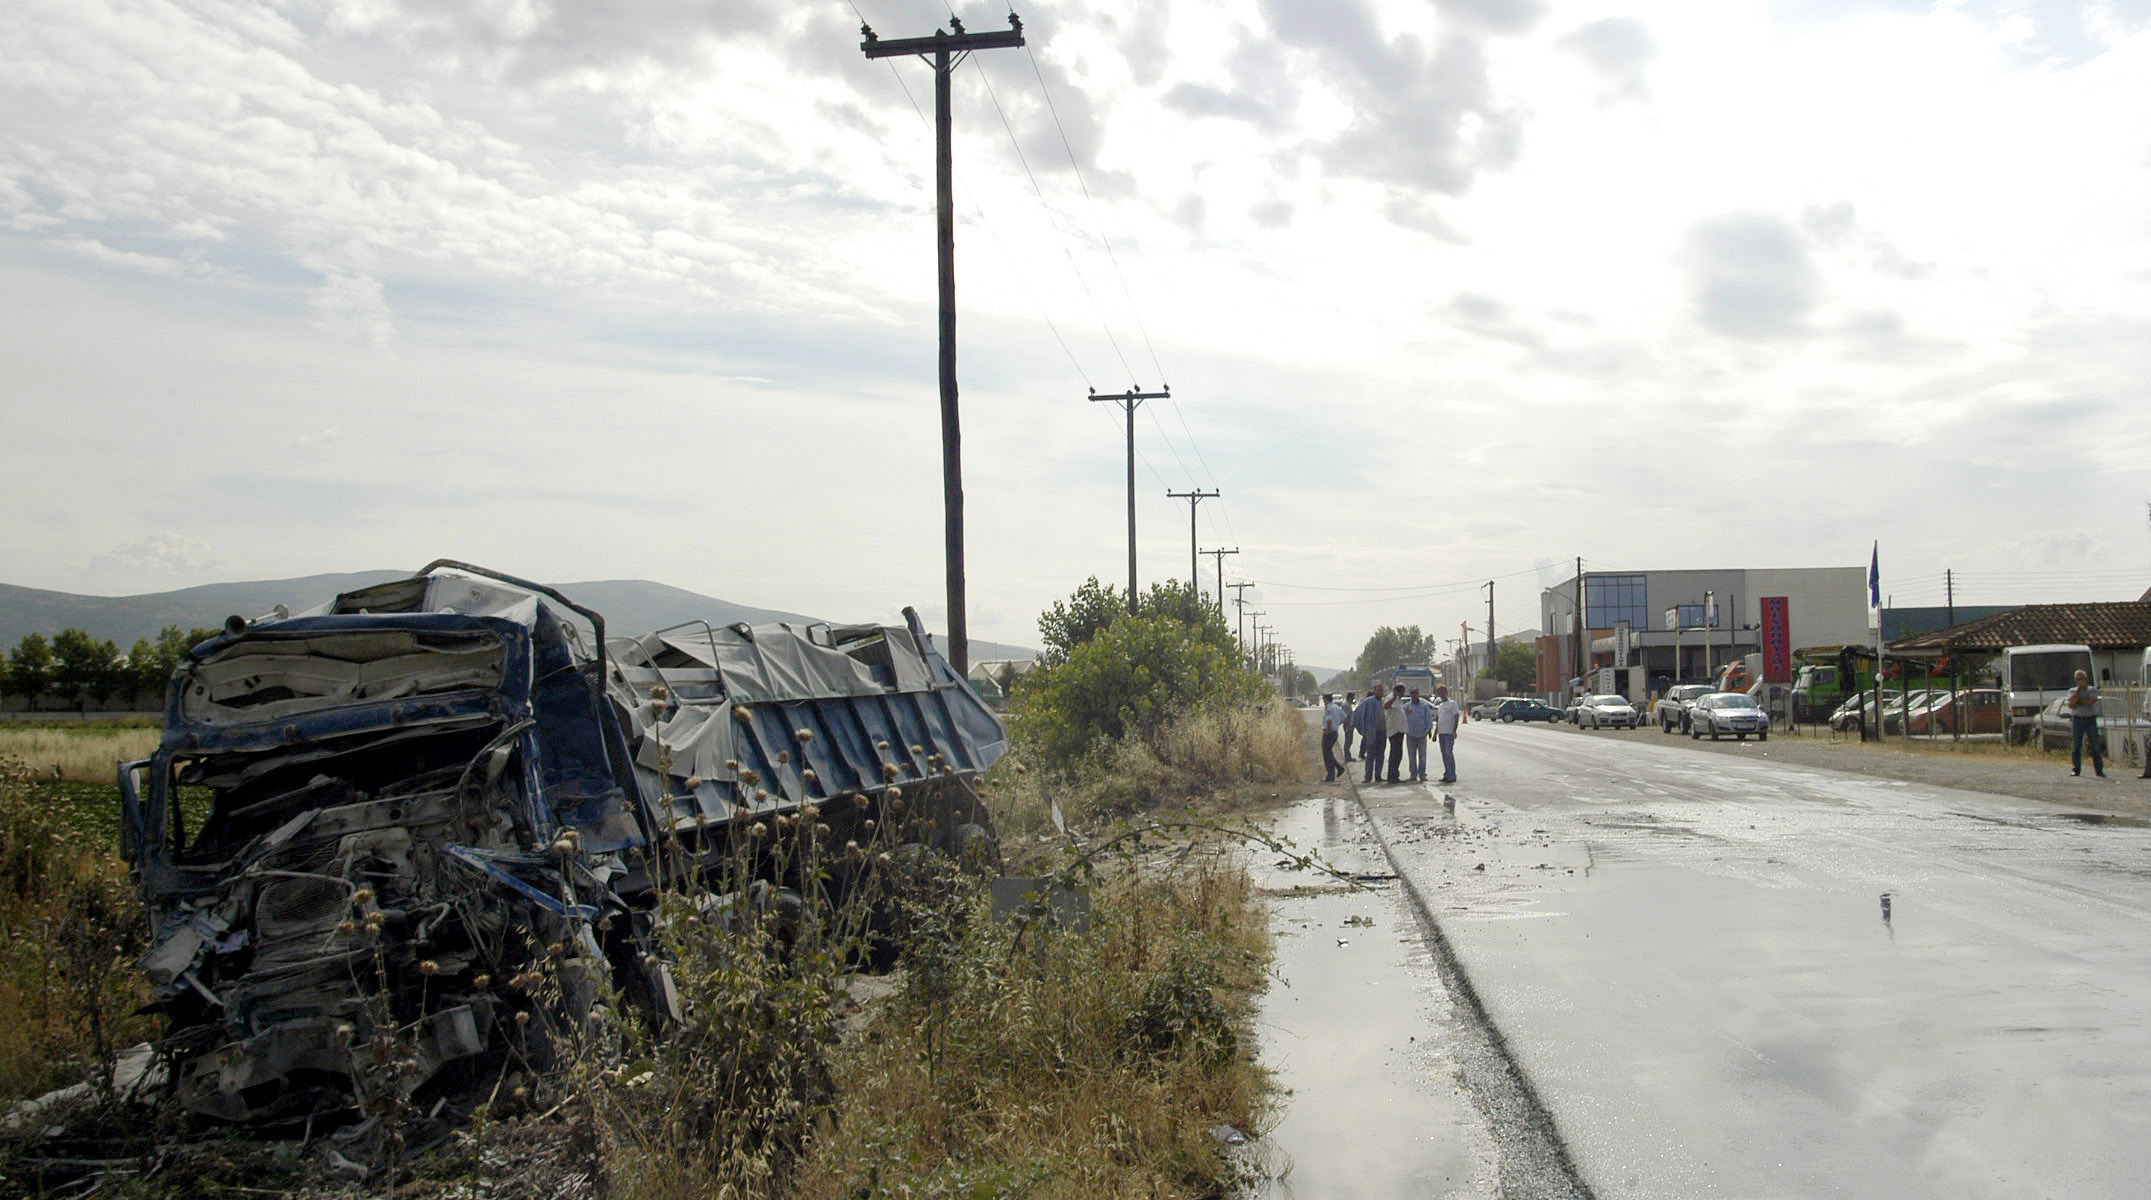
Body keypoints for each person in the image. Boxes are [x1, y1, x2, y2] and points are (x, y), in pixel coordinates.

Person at [2066, 669, 2105, 777]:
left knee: (2094, 745)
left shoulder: (2092, 689)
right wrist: (2078, 691)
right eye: (2077, 680)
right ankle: (2076, 769)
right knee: (2076, 745)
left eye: (2081, 679)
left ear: (2086, 679)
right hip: (2077, 719)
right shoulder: (2072, 690)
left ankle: (2099, 770)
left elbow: (2090, 702)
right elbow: (2071, 704)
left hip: (2090, 719)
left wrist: (2078, 702)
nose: (2079, 681)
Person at [1352, 690, 1387, 784]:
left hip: (1382, 732)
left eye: (1381, 691)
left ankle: (1378, 776)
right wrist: (1361, 729)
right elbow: (1356, 714)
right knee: (1370, 755)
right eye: (1378, 690)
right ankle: (1368, 777)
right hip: (1372, 733)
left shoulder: (1384, 702)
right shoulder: (1367, 702)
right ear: (1375, 691)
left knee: (1380, 755)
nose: (1380, 693)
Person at [1403, 688, 1436, 782]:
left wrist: (1429, 730)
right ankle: (1413, 774)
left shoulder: (1424, 706)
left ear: (1418, 694)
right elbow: (1402, 719)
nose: (1414, 695)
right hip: (1410, 735)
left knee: (1422, 756)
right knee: (1412, 756)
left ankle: (1422, 774)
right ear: (1410, 695)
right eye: (1412, 693)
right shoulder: (1407, 706)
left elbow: (1428, 718)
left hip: (1421, 735)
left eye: (1416, 693)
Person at [1434, 685, 1463, 783]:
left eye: (1441, 692)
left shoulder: (1452, 703)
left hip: (1448, 733)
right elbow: (1439, 720)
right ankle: (1447, 774)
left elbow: (1456, 716)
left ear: (1446, 692)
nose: (1440, 694)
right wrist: (1435, 733)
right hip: (1441, 733)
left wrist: (1454, 730)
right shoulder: (1441, 706)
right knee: (1444, 755)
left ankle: (1452, 775)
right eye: (1438, 692)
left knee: (1449, 754)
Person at [1382, 684, 1409, 783]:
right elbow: (1386, 706)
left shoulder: (1399, 700)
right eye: (1402, 692)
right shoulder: (1391, 698)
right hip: (1394, 731)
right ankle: (1392, 776)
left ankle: (1395, 775)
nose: (1403, 694)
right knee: (1394, 754)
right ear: (1398, 691)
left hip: (1400, 730)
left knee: (1399, 754)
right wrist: (1394, 696)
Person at [1319, 693, 1347, 782]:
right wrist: (1337, 724)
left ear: (1326, 699)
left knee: (1326, 754)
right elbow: (1345, 718)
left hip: (1329, 733)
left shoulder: (1329, 708)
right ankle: (1339, 768)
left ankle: (1331, 775)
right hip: (1335, 732)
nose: (1323, 701)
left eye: (1324, 699)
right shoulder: (1336, 707)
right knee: (1329, 753)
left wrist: (1329, 729)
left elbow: (1329, 720)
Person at [1341, 692, 1358, 761]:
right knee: (1348, 741)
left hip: (1350, 725)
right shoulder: (1346, 705)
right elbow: (1345, 716)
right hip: (1348, 725)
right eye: (1352, 698)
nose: (1353, 699)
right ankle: (1347, 757)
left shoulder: (1348, 704)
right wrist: (1348, 725)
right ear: (1349, 697)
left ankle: (1348, 756)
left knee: (1349, 741)